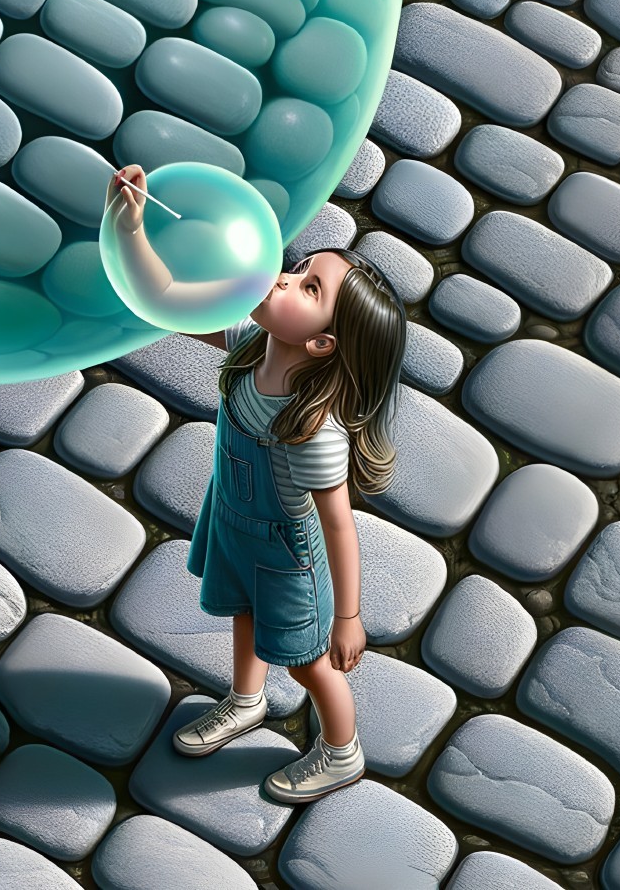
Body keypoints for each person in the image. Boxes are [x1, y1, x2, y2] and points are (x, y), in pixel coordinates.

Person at [105, 163, 407, 804]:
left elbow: (337, 525)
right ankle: (247, 699)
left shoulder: (312, 430)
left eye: (307, 286)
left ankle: (341, 749)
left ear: (324, 343)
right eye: (300, 268)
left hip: (286, 556)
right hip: (233, 522)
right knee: (241, 612)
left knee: (307, 657)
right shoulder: (247, 347)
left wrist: (349, 617)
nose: (284, 275)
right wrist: (130, 226)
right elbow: (163, 297)